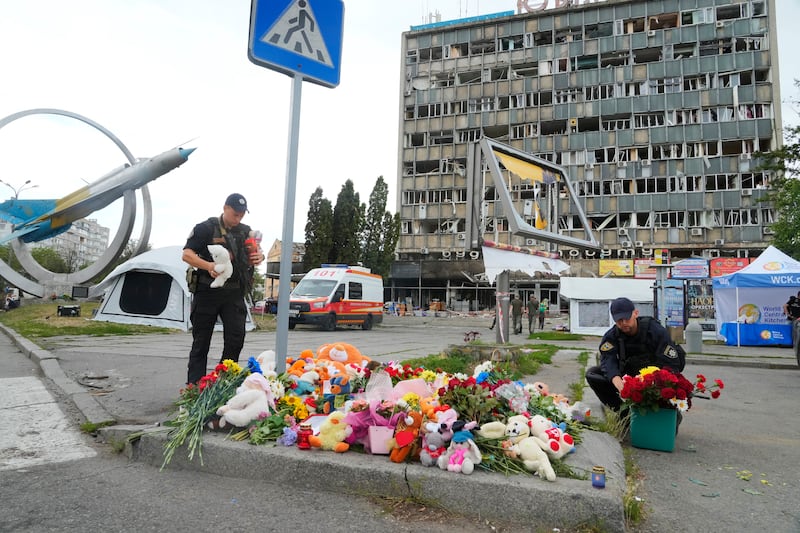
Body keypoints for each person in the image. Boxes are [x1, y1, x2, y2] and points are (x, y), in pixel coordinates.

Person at [182, 193, 264, 385]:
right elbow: (187, 255)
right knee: (201, 342)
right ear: (225, 208)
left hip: (234, 294)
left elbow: (256, 253)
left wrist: (260, 257)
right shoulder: (205, 228)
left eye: (242, 215)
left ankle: (223, 383)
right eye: (235, 214)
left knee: (236, 339)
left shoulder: (245, 231)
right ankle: (195, 386)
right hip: (207, 292)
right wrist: (209, 266)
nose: (239, 218)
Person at [585, 297, 686, 412]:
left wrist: (659, 383)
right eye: (619, 320)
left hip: (655, 377)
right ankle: (623, 413)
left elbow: (670, 363)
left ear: (635, 314)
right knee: (593, 374)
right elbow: (608, 360)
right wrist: (616, 379)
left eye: (627, 318)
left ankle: (668, 413)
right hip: (629, 376)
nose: (623, 323)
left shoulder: (655, 331)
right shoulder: (612, 336)